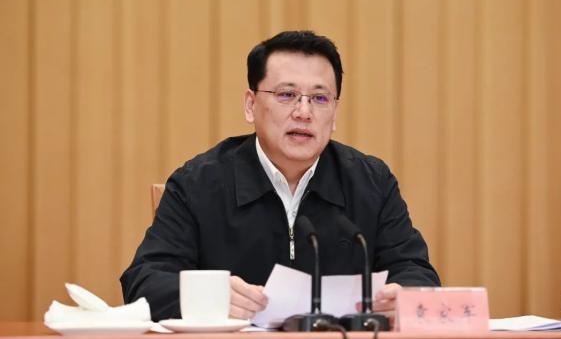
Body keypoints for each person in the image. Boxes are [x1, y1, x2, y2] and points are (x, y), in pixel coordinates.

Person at [120, 30, 440, 324]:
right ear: (250, 105)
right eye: (287, 95)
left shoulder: (371, 183)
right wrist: (210, 298)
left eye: (320, 98)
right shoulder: (198, 184)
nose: (304, 112)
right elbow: (144, 283)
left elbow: (417, 273)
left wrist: (402, 298)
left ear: (335, 114)